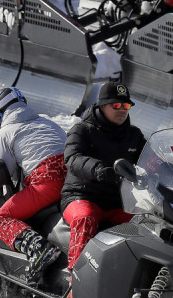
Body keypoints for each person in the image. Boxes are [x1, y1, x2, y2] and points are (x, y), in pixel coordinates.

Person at [0, 86, 67, 285]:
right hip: (73, 181)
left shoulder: (5, 133)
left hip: (47, 183)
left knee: (1, 219)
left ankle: (39, 249)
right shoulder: (48, 123)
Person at [61, 81, 146, 272]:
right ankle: (76, 281)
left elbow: (152, 159)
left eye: (126, 105)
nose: (122, 110)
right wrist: (98, 169)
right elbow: (73, 158)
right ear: (102, 106)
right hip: (82, 196)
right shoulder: (82, 130)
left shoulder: (134, 135)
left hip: (118, 201)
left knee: (147, 222)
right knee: (86, 218)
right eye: (116, 105)